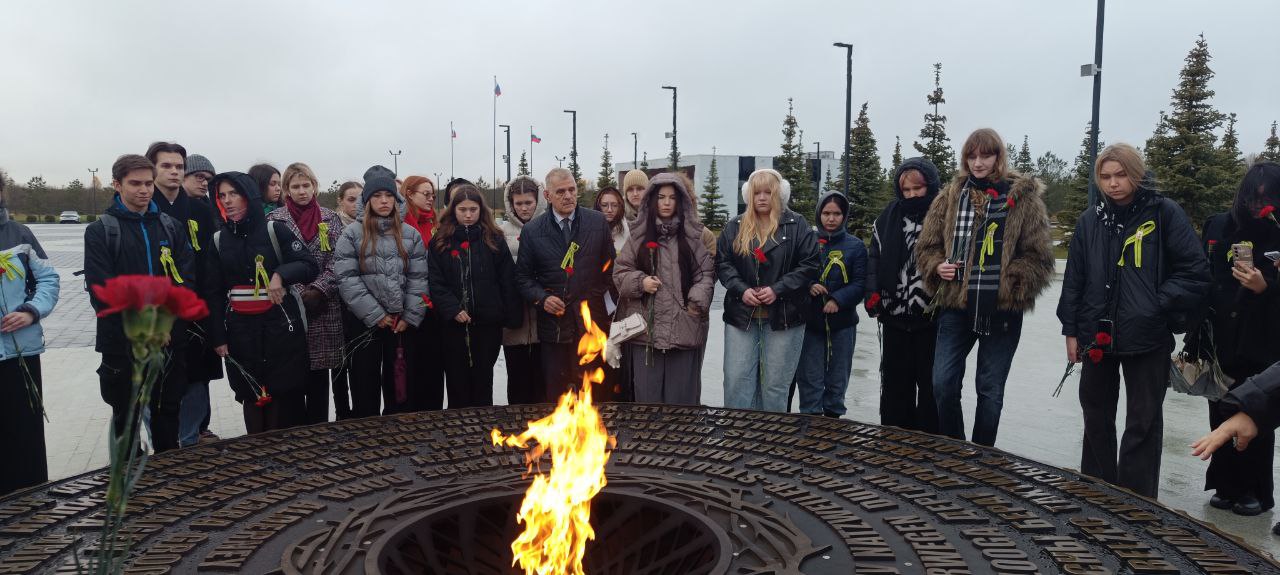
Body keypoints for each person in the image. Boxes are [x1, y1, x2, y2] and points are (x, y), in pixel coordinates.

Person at [1056, 143, 1209, 498]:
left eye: (1121, 175)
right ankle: (1097, 491)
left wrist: (1154, 304)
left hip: (1147, 335)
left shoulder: (1165, 213)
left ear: (1136, 174)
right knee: (1095, 414)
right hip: (1097, 335)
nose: (1113, 183)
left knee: (1143, 420)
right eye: (1105, 176)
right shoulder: (1090, 220)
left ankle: (1136, 501)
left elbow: (1195, 271)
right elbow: (1074, 279)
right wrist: (1071, 330)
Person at [917, 128, 1055, 447]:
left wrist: (1008, 285)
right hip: (955, 305)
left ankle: (983, 456)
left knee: (990, 390)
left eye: (985, 156)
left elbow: (1039, 257)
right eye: (972, 156)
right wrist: (937, 265)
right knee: (942, 383)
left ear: (998, 157)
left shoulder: (1023, 199)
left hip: (1001, 310)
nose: (978, 163)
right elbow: (927, 246)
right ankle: (956, 448)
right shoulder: (950, 196)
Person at [84, 154, 195, 453]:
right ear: (117, 184)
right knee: (127, 417)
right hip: (122, 343)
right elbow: (101, 290)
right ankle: (127, 477)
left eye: (148, 183)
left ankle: (168, 473)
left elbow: (186, 279)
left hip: (168, 341)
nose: (144, 190)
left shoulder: (171, 227)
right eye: (135, 184)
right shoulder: (101, 231)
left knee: (167, 413)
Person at [1189, 161, 1280, 514]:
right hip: (1220, 334)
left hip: (1262, 335)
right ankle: (1226, 484)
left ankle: (1255, 490)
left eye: (1268, 199)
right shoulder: (1218, 225)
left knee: (1256, 409)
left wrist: (1265, 286)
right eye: (1253, 198)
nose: (1259, 206)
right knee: (1221, 408)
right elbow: (1201, 273)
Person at [204, 171, 318, 433]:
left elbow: (308, 265)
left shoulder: (274, 230)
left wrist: (281, 274)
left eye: (234, 193)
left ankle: (284, 451)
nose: (227, 200)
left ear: (248, 196)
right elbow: (213, 292)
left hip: (281, 328)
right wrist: (218, 337)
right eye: (222, 195)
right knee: (250, 393)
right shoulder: (218, 240)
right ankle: (256, 451)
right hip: (241, 333)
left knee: (283, 395)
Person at [716, 169, 819, 412]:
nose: (762, 198)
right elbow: (723, 263)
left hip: (785, 316)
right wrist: (742, 290)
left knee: (775, 385)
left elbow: (811, 264)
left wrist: (777, 289)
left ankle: (771, 433)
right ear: (748, 195)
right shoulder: (735, 226)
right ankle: (737, 430)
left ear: (779, 194)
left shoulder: (797, 224)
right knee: (736, 381)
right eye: (756, 192)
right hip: (742, 316)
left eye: (768, 192)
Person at [144, 142, 223, 449]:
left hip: (196, 305)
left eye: (179, 166)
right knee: (155, 380)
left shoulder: (201, 210)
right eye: (167, 166)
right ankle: (160, 443)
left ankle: (190, 437)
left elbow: (210, 260)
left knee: (196, 373)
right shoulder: (145, 209)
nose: (174, 172)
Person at [613, 173, 714, 404]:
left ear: (681, 201)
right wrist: (640, 282)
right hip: (646, 333)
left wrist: (695, 303)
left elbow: (706, 274)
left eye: (672, 197)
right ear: (652, 201)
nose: (667, 203)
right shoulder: (638, 238)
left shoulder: (693, 238)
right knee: (647, 401)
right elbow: (620, 273)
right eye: (661, 197)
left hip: (683, 328)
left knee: (681, 402)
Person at [515, 167, 615, 399]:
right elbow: (522, 278)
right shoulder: (532, 231)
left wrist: (591, 299)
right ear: (547, 195)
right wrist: (542, 298)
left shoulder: (597, 222)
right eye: (560, 192)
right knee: (558, 396)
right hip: (554, 329)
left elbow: (610, 271)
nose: (568, 196)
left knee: (592, 395)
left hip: (591, 325)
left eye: (572, 189)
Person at [334, 176, 429, 416]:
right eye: (377, 196)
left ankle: (398, 430)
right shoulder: (351, 235)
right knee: (364, 385)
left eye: (389, 196)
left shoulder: (411, 234)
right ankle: (368, 429)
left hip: (400, 323)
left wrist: (410, 315)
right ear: (367, 201)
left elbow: (419, 278)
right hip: (365, 322)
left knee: (399, 386)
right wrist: (375, 314)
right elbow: (347, 278)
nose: (384, 201)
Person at [428, 183, 521, 408]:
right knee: (457, 381)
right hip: (454, 326)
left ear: (481, 210)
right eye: (462, 210)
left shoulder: (494, 239)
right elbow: (435, 281)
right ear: (453, 210)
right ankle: (458, 423)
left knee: (483, 380)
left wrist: (509, 315)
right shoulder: (440, 241)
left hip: (487, 325)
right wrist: (453, 309)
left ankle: (483, 425)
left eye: (473, 209)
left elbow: (507, 279)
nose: (468, 215)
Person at [867, 158, 942, 433]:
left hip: (932, 316)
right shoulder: (887, 218)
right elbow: (874, 259)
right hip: (894, 314)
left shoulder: (943, 217)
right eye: (906, 190)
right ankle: (894, 439)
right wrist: (872, 294)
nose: (911, 195)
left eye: (917, 189)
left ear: (930, 186)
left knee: (931, 384)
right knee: (896, 383)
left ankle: (930, 440)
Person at [267, 162, 345, 424]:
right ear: (287, 190)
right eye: (295, 186)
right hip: (290, 304)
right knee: (292, 374)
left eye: (306, 185)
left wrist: (319, 289)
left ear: (314, 186)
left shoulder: (330, 218)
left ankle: (319, 430)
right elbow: (274, 262)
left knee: (319, 378)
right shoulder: (275, 220)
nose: (302, 191)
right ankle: (295, 431)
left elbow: (338, 260)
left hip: (323, 305)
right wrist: (299, 292)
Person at [0, 176, 59, 495]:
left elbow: (48, 279)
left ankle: (32, 506)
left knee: (24, 438)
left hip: (19, 351)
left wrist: (31, 310)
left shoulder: (20, 234)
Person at [795, 191, 866, 417]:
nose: (831, 219)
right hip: (811, 321)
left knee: (838, 374)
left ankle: (834, 416)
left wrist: (838, 299)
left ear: (844, 216)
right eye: (826, 213)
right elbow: (796, 272)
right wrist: (809, 285)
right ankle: (810, 416)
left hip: (842, 322)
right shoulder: (807, 242)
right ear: (819, 214)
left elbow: (860, 283)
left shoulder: (856, 246)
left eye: (837, 214)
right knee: (810, 374)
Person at [500, 176, 547, 404]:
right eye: (518, 203)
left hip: (543, 316)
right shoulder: (501, 232)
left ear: (537, 201)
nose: (524, 208)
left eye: (528, 202)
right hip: (515, 317)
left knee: (542, 381)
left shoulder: (548, 226)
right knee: (517, 380)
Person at [400, 176, 446, 411]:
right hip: (409, 307)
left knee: (433, 369)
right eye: (425, 194)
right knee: (412, 370)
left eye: (433, 195)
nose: (430, 199)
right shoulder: (401, 224)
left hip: (433, 308)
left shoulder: (434, 223)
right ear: (409, 193)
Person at [593, 185, 631, 401]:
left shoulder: (628, 233)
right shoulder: (589, 229)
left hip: (622, 303)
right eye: (604, 205)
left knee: (620, 361)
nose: (609, 210)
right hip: (597, 302)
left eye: (614, 205)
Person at [331, 181, 363, 418]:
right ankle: (342, 410)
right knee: (339, 362)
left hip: (361, 304)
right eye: (351, 199)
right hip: (336, 301)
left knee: (359, 361)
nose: (356, 204)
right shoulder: (332, 227)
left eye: (360, 199)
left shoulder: (369, 225)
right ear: (340, 201)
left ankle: (361, 408)